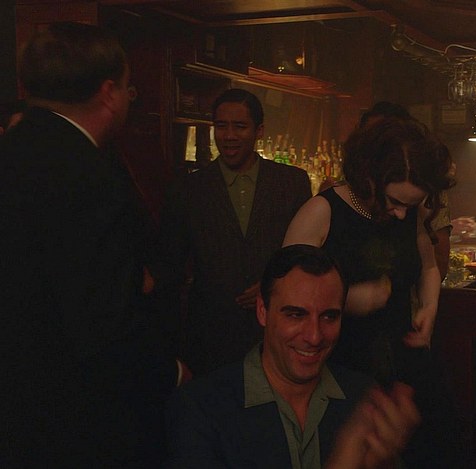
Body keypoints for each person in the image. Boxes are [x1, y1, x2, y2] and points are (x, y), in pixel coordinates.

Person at [0, 22, 178, 466]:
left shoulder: (14, 149)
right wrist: (171, 373)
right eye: (128, 86)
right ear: (109, 92)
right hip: (69, 419)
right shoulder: (89, 178)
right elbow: (103, 326)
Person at [282, 116, 458, 467]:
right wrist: (346, 299)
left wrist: (429, 307)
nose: (402, 213)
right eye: (395, 201)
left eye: (411, 204)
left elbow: (428, 267)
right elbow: (284, 296)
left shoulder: (408, 212)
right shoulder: (322, 212)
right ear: (369, 177)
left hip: (405, 369)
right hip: (340, 371)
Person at [166, 244, 420, 468]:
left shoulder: (364, 399)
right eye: (296, 315)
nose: (314, 336)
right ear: (263, 311)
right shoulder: (201, 408)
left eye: (329, 317)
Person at [151, 88, 311, 376]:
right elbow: (169, 268)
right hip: (209, 336)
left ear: (259, 131)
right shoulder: (188, 189)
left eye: (239, 126)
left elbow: (305, 256)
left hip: (275, 333)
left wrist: (273, 284)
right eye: (221, 126)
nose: (229, 136)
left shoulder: (291, 183)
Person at [358, 101, 453, 280]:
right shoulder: (343, 195)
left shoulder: (424, 191)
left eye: (383, 140)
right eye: (368, 137)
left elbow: (438, 263)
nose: (374, 147)